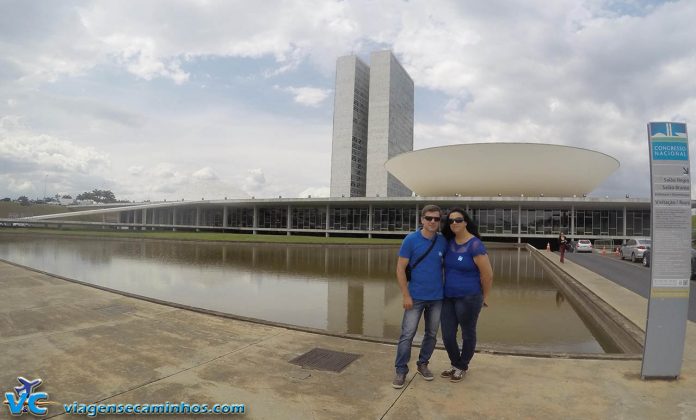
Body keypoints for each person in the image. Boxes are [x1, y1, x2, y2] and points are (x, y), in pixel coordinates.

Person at [392, 204, 448, 389]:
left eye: (436, 219)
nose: (432, 222)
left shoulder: (442, 241)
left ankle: (423, 364)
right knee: (407, 335)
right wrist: (405, 295)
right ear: (422, 219)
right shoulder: (411, 240)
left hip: (437, 297)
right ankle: (401, 370)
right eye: (429, 218)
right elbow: (400, 269)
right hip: (415, 297)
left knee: (431, 334)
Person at [439, 208, 493, 382]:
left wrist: (485, 296)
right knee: (447, 334)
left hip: (469, 297)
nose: (454, 223)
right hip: (448, 297)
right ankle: (456, 363)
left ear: (466, 222)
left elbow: (487, 274)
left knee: (468, 333)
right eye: (451, 221)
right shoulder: (449, 242)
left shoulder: (475, 244)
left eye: (458, 220)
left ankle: (462, 366)